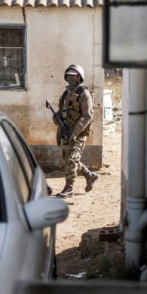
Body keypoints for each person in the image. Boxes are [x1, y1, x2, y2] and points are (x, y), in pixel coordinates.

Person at [54, 64, 99, 198]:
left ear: (80, 77)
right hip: (65, 131)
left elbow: (87, 116)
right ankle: (89, 175)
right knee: (68, 159)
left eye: (73, 76)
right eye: (68, 75)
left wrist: (75, 133)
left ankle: (69, 188)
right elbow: (63, 110)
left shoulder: (84, 94)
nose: (70, 78)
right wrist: (56, 117)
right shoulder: (67, 93)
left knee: (72, 160)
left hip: (77, 133)